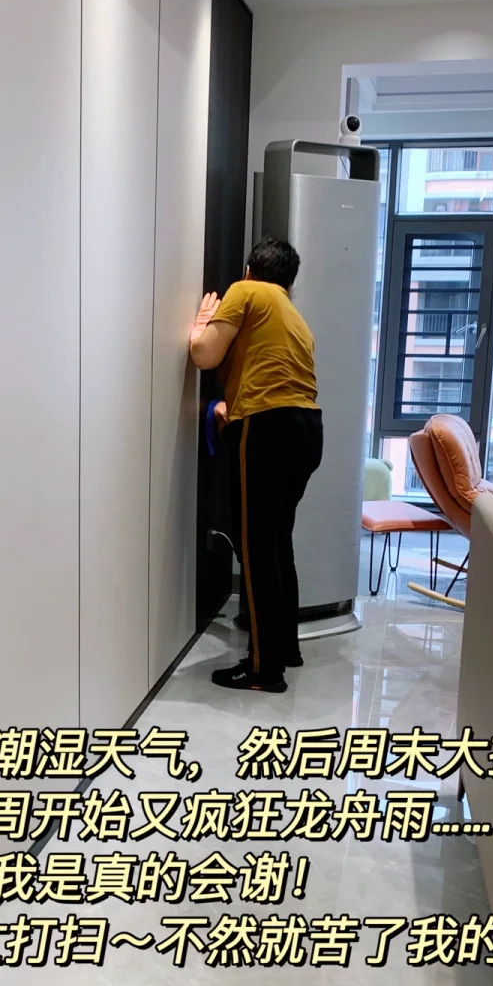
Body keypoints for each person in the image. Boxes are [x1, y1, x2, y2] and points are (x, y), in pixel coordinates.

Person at [189, 237, 323, 693]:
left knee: (256, 549)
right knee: (277, 542)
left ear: (249, 270)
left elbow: (205, 354)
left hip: (268, 429)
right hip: (307, 430)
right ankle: (286, 649)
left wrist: (201, 324)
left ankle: (265, 670)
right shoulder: (294, 317)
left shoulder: (246, 291)